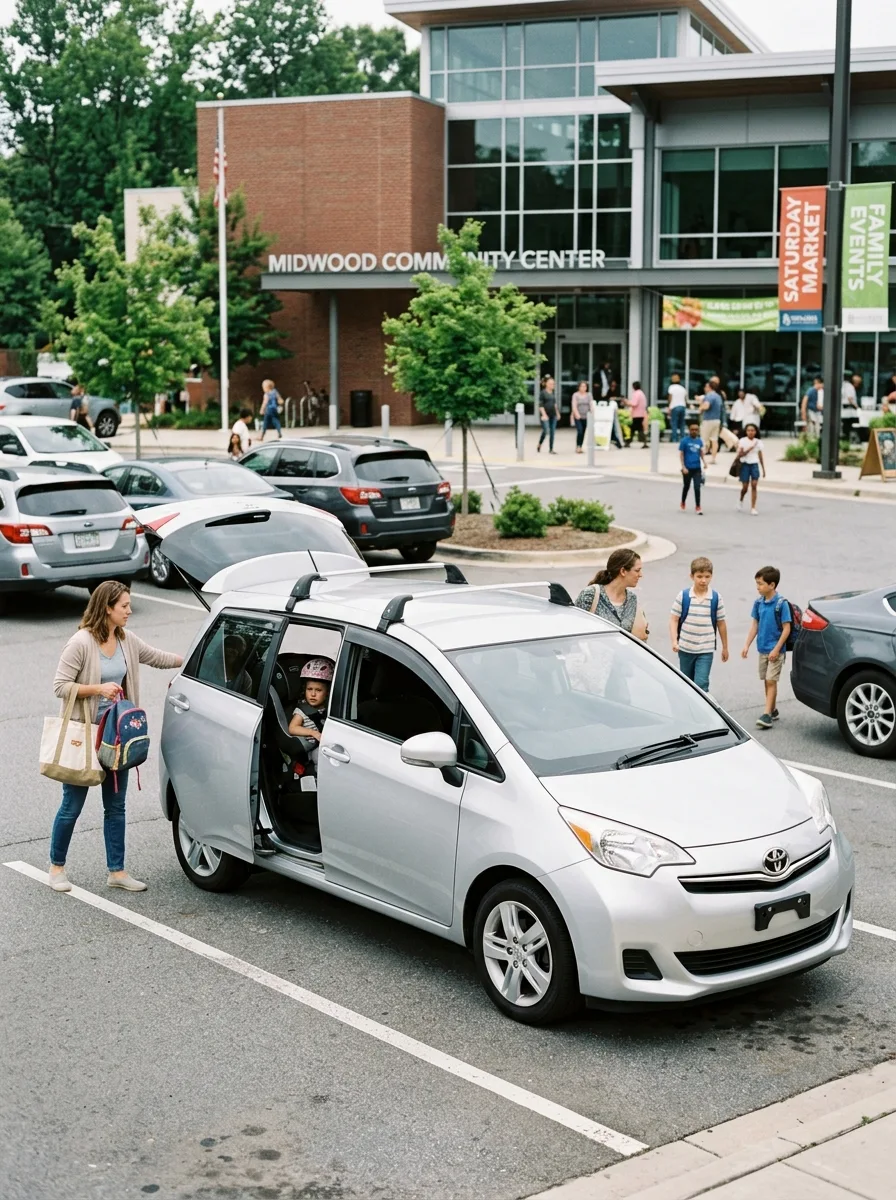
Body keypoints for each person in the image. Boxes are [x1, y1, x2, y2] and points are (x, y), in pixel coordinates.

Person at [49, 582, 183, 893]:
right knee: (72, 806)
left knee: (116, 807)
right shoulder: (81, 643)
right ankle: (56, 867)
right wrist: (97, 689)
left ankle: (117, 871)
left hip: (116, 736)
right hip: (86, 736)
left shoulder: (126, 639)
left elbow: (157, 657)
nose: (129, 611)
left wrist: (196, 657)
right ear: (107, 608)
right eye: (124, 605)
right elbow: (60, 686)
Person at [741, 565, 792, 731]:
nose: (758, 587)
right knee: (766, 680)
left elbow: (786, 628)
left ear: (772, 585)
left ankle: (767, 714)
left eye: (760, 584)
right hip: (762, 648)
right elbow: (755, 625)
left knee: (771, 680)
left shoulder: (781, 604)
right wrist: (747, 644)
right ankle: (773, 708)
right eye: (757, 583)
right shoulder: (758, 603)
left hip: (775, 650)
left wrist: (777, 649)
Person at [669, 556, 729, 692]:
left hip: (705, 650)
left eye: (707, 576)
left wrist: (725, 647)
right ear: (692, 576)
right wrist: (674, 641)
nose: (703, 580)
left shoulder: (716, 598)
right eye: (699, 576)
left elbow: (721, 623)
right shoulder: (683, 596)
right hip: (685, 648)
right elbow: (674, 619)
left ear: (712, 576)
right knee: (686, 683)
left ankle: (701, 705)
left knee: (701, 684)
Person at [574, 548, 647, 641]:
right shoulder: (590, 595)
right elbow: (574, 628)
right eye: (637, 570)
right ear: (623, 571)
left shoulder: (632, 600)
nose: (640, 575)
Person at [288, 658, 334, 766]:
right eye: (309, 689)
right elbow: (292, 728)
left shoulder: (329, 708)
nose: (313, 694)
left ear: (327, 693)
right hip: (313, 750)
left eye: (318, 690)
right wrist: (313, 733)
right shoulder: (302, 711)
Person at [735, 422, 766, 515]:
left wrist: (763, 469)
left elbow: (760, 456)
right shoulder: (742, 441)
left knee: (754, 485)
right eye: (748, 430)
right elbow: (740, 454)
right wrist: (749, 448)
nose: (750, 432)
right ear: (746, 431)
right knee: (745, 487)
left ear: (755, 432)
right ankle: (741, 499)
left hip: (754, 464)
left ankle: (753, 507)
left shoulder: (759, 442)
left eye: (752, 430)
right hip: (745, 464)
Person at [679, 419, 705, 515]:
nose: (694, 431)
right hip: (687, 468)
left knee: (697, 487)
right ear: (689, 430)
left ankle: (698, 506)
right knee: (686, 486)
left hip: (697, 468)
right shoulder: (684, 441)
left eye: (696, 430)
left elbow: (700, 452)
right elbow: (681, 454)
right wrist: (683, 467)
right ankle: (683, 501)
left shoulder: (699, 441)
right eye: (692, 429)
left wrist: (704, 462)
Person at [699, 380, 723, 464]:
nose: (704, 388)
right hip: (717, 420)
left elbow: (706, 406)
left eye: (706, 387)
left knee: (704, 439)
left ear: (709, 387)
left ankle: (701, 457)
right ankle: (713, 458)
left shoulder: (709, 396)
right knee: (714, 440)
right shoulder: (718, 396)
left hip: (708, 420)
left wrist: (701, 406)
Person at [537, 376, 559, 454]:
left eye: (553, 384)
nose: (552, 385)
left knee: (552, 432)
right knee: (546, 430)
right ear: (546, 384)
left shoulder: (553, 393)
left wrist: (557, 413)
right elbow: (540, 405)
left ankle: (551, 449)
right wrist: (544, 414)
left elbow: (554, 404)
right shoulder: (543, 393)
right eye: (550, 384)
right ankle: (540, 443)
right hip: (545, 415)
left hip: (553, 415)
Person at [570, 381, 593, 453]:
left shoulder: (589, 395)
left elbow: (591, 404)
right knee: (580, 431)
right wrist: (576, 414)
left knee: (583, 432)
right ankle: (578, 446)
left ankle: (580, 446)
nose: (583, 388)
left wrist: (592, 413)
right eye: (582, 386)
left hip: (586, 416)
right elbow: (574, 405)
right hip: (578, 416)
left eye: (585, 386)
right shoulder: (575, 395)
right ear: (579, 387)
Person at [625, 381, 648, 447]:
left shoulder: (636, 394)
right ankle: (643, 442)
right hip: (641, 414)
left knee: (636, 428)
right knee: (637, 428)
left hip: (637, 414)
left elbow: (634, 403)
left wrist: (627, 402)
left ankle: (629, 442)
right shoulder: (641, 393)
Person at [667, 372, 687, 443]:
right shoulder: (683, 388)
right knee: (682, 423)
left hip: (674, 406)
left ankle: (674, 439)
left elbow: (670, 398)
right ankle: (683, 438)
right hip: (682, 406)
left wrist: (669, 406)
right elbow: (685, 399)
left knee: (674, 423)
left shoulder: (671, 387)